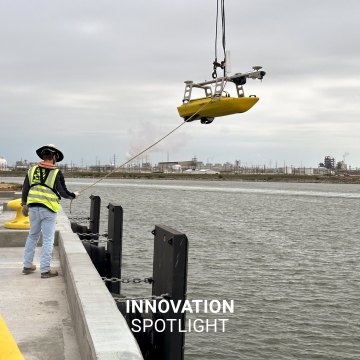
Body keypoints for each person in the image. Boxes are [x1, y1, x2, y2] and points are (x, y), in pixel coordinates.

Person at [21, 144, 79, 278]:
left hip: (33, 209)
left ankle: (27, 266)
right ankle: (45, 270)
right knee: (48, 239)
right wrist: (74, 195)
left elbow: (25, 189)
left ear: (43, 156)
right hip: (48, 210)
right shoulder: (56, 172)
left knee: (32, 236)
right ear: (54, 157)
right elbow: (63, 192)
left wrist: (24, 204)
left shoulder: (31, 170)